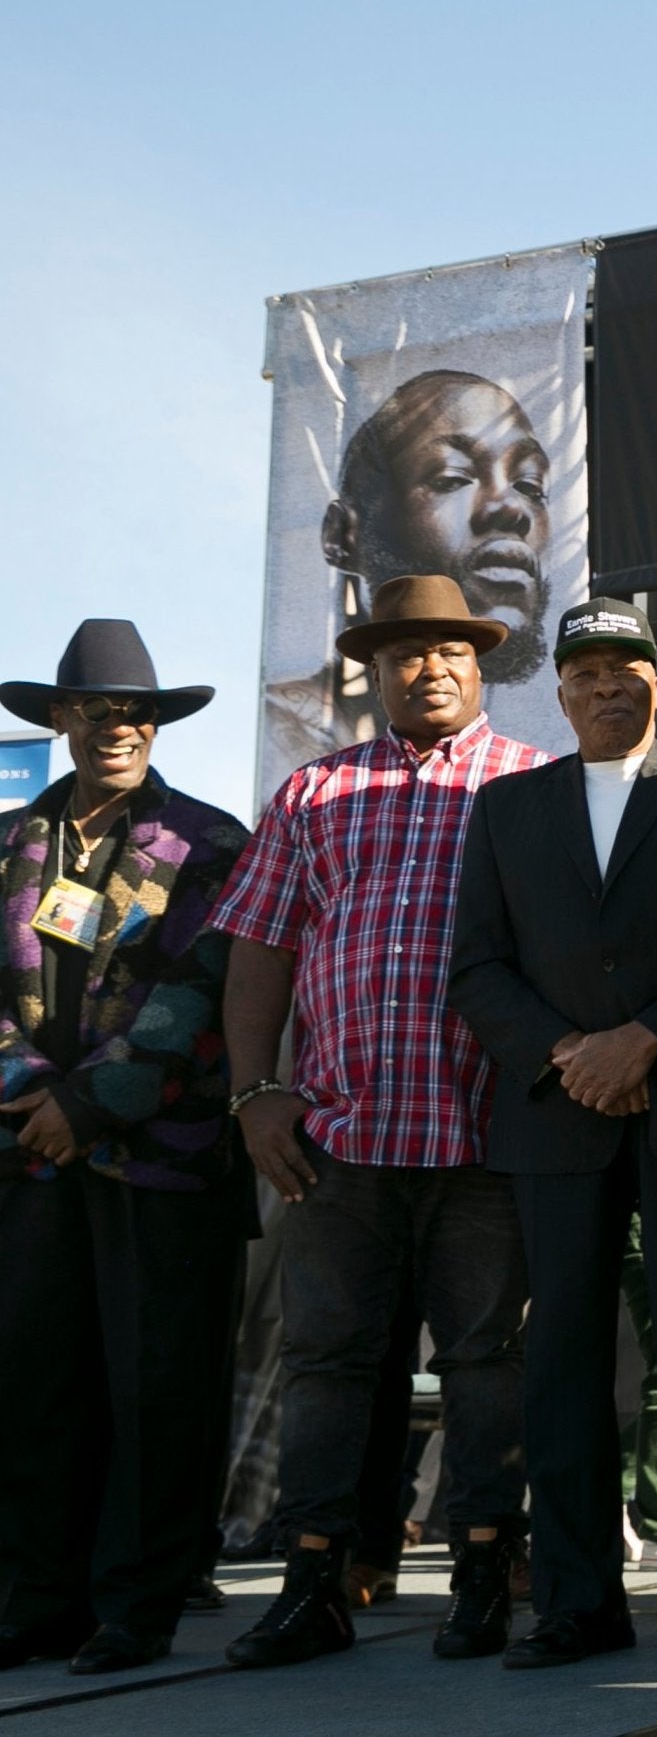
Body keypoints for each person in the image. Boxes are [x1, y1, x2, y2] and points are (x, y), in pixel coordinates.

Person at [213, 573, 551, 1670]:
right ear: (377, 669)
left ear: (480, 662)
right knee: (326, 1365)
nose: (431, 666)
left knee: (488, 1365)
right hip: (340, 1141)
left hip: (487, 1134)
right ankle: (314, 1582)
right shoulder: (312, 792)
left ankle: (485, 1573)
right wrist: (256, 1092)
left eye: (452, 648)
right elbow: (260, 949)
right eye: (408, 651)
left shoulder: (532, 785)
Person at [449, 598, 657, 1669]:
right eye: (584, 672)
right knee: (564, 1365)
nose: (606, 687)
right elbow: (477, 970)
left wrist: (645, 1039)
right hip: (555, 1119)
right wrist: (568, 1055)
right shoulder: (506, 809)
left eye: (625, 668)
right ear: (562, 689)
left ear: (653, 682)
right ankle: (575, 1603)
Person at [0, 622, 248, 1675]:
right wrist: (31, 1093)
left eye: (136, 712)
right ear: (60, 720)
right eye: (97, 710)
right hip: (25, 1157)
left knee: (157, 1386)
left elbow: (203, 998)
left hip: (162, 1156)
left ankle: (135, 1607)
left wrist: (92, 1104)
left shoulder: (213, 841)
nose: (117, 728)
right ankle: (38, 1600)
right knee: (34, 1383)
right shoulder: (6, 839)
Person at [267, 371, 556, 769]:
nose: (510, 508)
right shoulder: (309, 785)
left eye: (529, 485)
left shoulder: (540, 784)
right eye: (453, 478)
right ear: (343, 533)